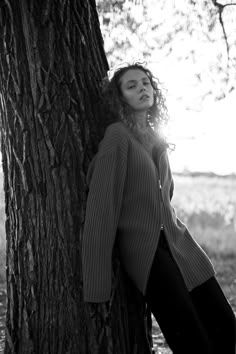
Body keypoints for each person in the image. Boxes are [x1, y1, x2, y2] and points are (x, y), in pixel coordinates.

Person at [82, 62, 236, 354]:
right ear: (120, 98)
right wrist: (96, 285)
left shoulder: (157, 139)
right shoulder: (118, 136)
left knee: (226, 327)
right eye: (132, 86)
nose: (142, 88)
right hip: (148, 253)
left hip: (181, 244)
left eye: (145, 83)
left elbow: (166, 194)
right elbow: (101, 209)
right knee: (191, 340)